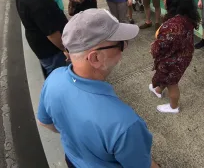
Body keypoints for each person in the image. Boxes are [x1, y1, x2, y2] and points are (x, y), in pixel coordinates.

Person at [37, 9, 160, 168]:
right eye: (121, 44)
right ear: (95, 58)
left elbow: (44, 122)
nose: (126, 48)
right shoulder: (125, 124)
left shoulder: (53, 79)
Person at [149, 0, 200, 113]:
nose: (163, 0)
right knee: (166, 76)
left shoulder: (173, 25)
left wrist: (154, 46)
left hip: (175, 60)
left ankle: (173, 107)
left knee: (172, 83)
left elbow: (162, 47)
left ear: (173, 1)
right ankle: (158, 90)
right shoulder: (185, 15)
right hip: (183, 53)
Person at [16, 0, 68, 76]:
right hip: (51, 50)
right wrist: (64, 49)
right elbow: (51, 32)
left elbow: (47, 8)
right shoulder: (37, 0)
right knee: (59, 75)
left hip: (41, 46)